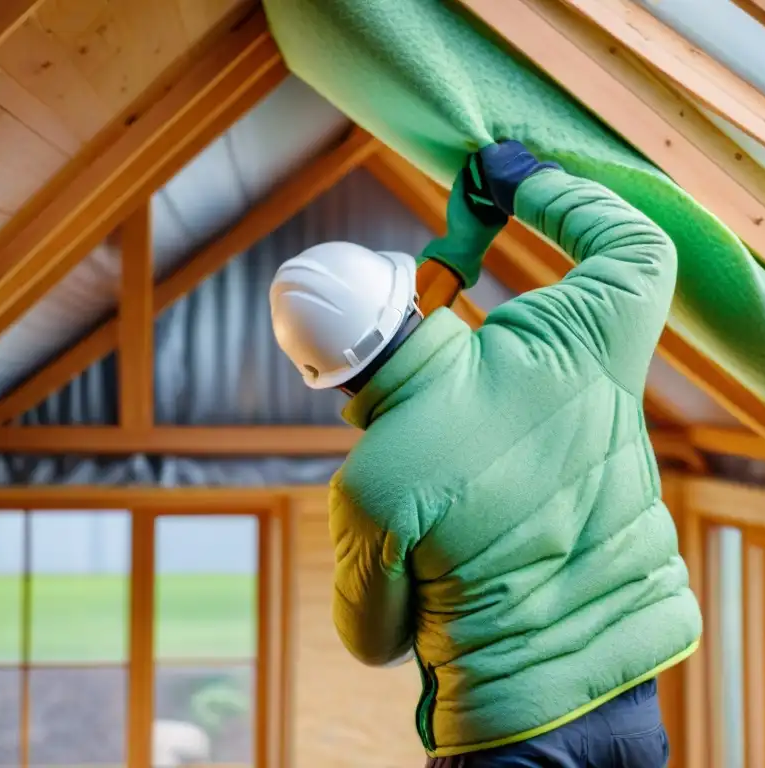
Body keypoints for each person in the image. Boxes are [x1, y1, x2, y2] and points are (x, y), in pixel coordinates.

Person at [269, 140, 702, 767]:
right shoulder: (566, 336)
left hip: (501, 736)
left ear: (329, 379)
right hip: (630, 716)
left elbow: (374, 642)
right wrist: (520, 183)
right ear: (409, 298)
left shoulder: (374, 484)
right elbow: (645, 249)